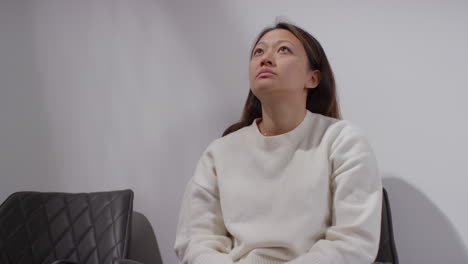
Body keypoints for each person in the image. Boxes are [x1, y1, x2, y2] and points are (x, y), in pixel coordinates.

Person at [173, 20, 382, 264]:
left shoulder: (343, 141)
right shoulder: (220, 152)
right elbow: (195, 241)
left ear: (312, 78)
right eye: (258, 52)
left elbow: (353, 243)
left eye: (283, 50)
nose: (266, 58)